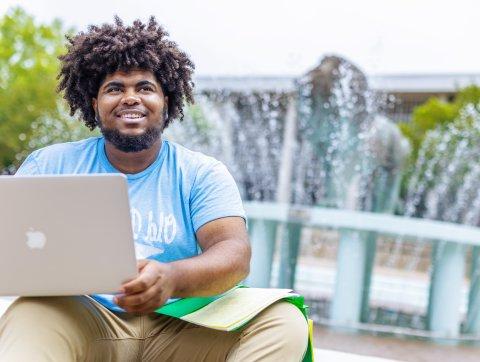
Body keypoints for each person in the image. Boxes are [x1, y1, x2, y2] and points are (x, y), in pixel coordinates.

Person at [0, 17, 308, 361]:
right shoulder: (49, 166)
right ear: (93, 104)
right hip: (86, 321)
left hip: (182, 325)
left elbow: (234, 254)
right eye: (115, 88)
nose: (130, 98)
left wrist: (172, 278)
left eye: (144, 88)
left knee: (284, 320)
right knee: (28, 313)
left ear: (167, 101)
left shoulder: (202, 173)